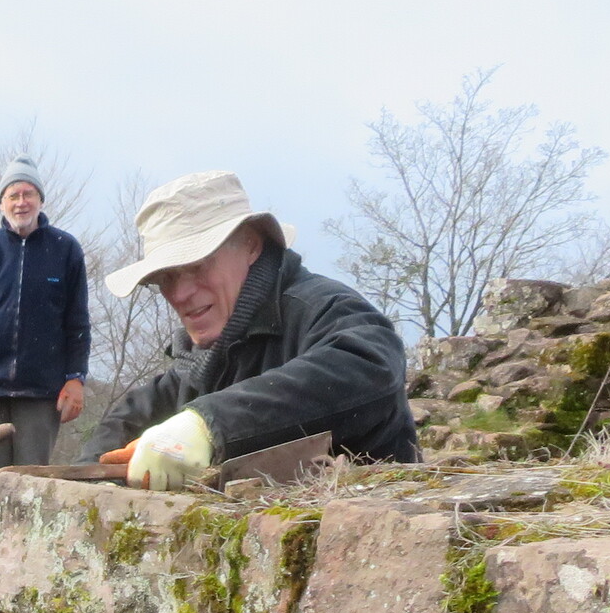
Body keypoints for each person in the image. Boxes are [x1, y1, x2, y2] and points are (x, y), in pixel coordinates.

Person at [91, 169, 417, 489]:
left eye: (196, 265)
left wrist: (207, 424)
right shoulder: (197, 366)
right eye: (165, 278)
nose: (179, 294)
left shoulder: (324, 309)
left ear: (251, 246)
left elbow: (373, 365)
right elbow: (126, 424)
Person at [0, 154, 92, 469]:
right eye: (13, 195)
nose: (21, 202)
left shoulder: (66, 250)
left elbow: (77, 324)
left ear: (40, 200)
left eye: (28, 194)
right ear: (2, 204)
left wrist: (76, 379)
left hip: (42, 393)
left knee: (30, 482)